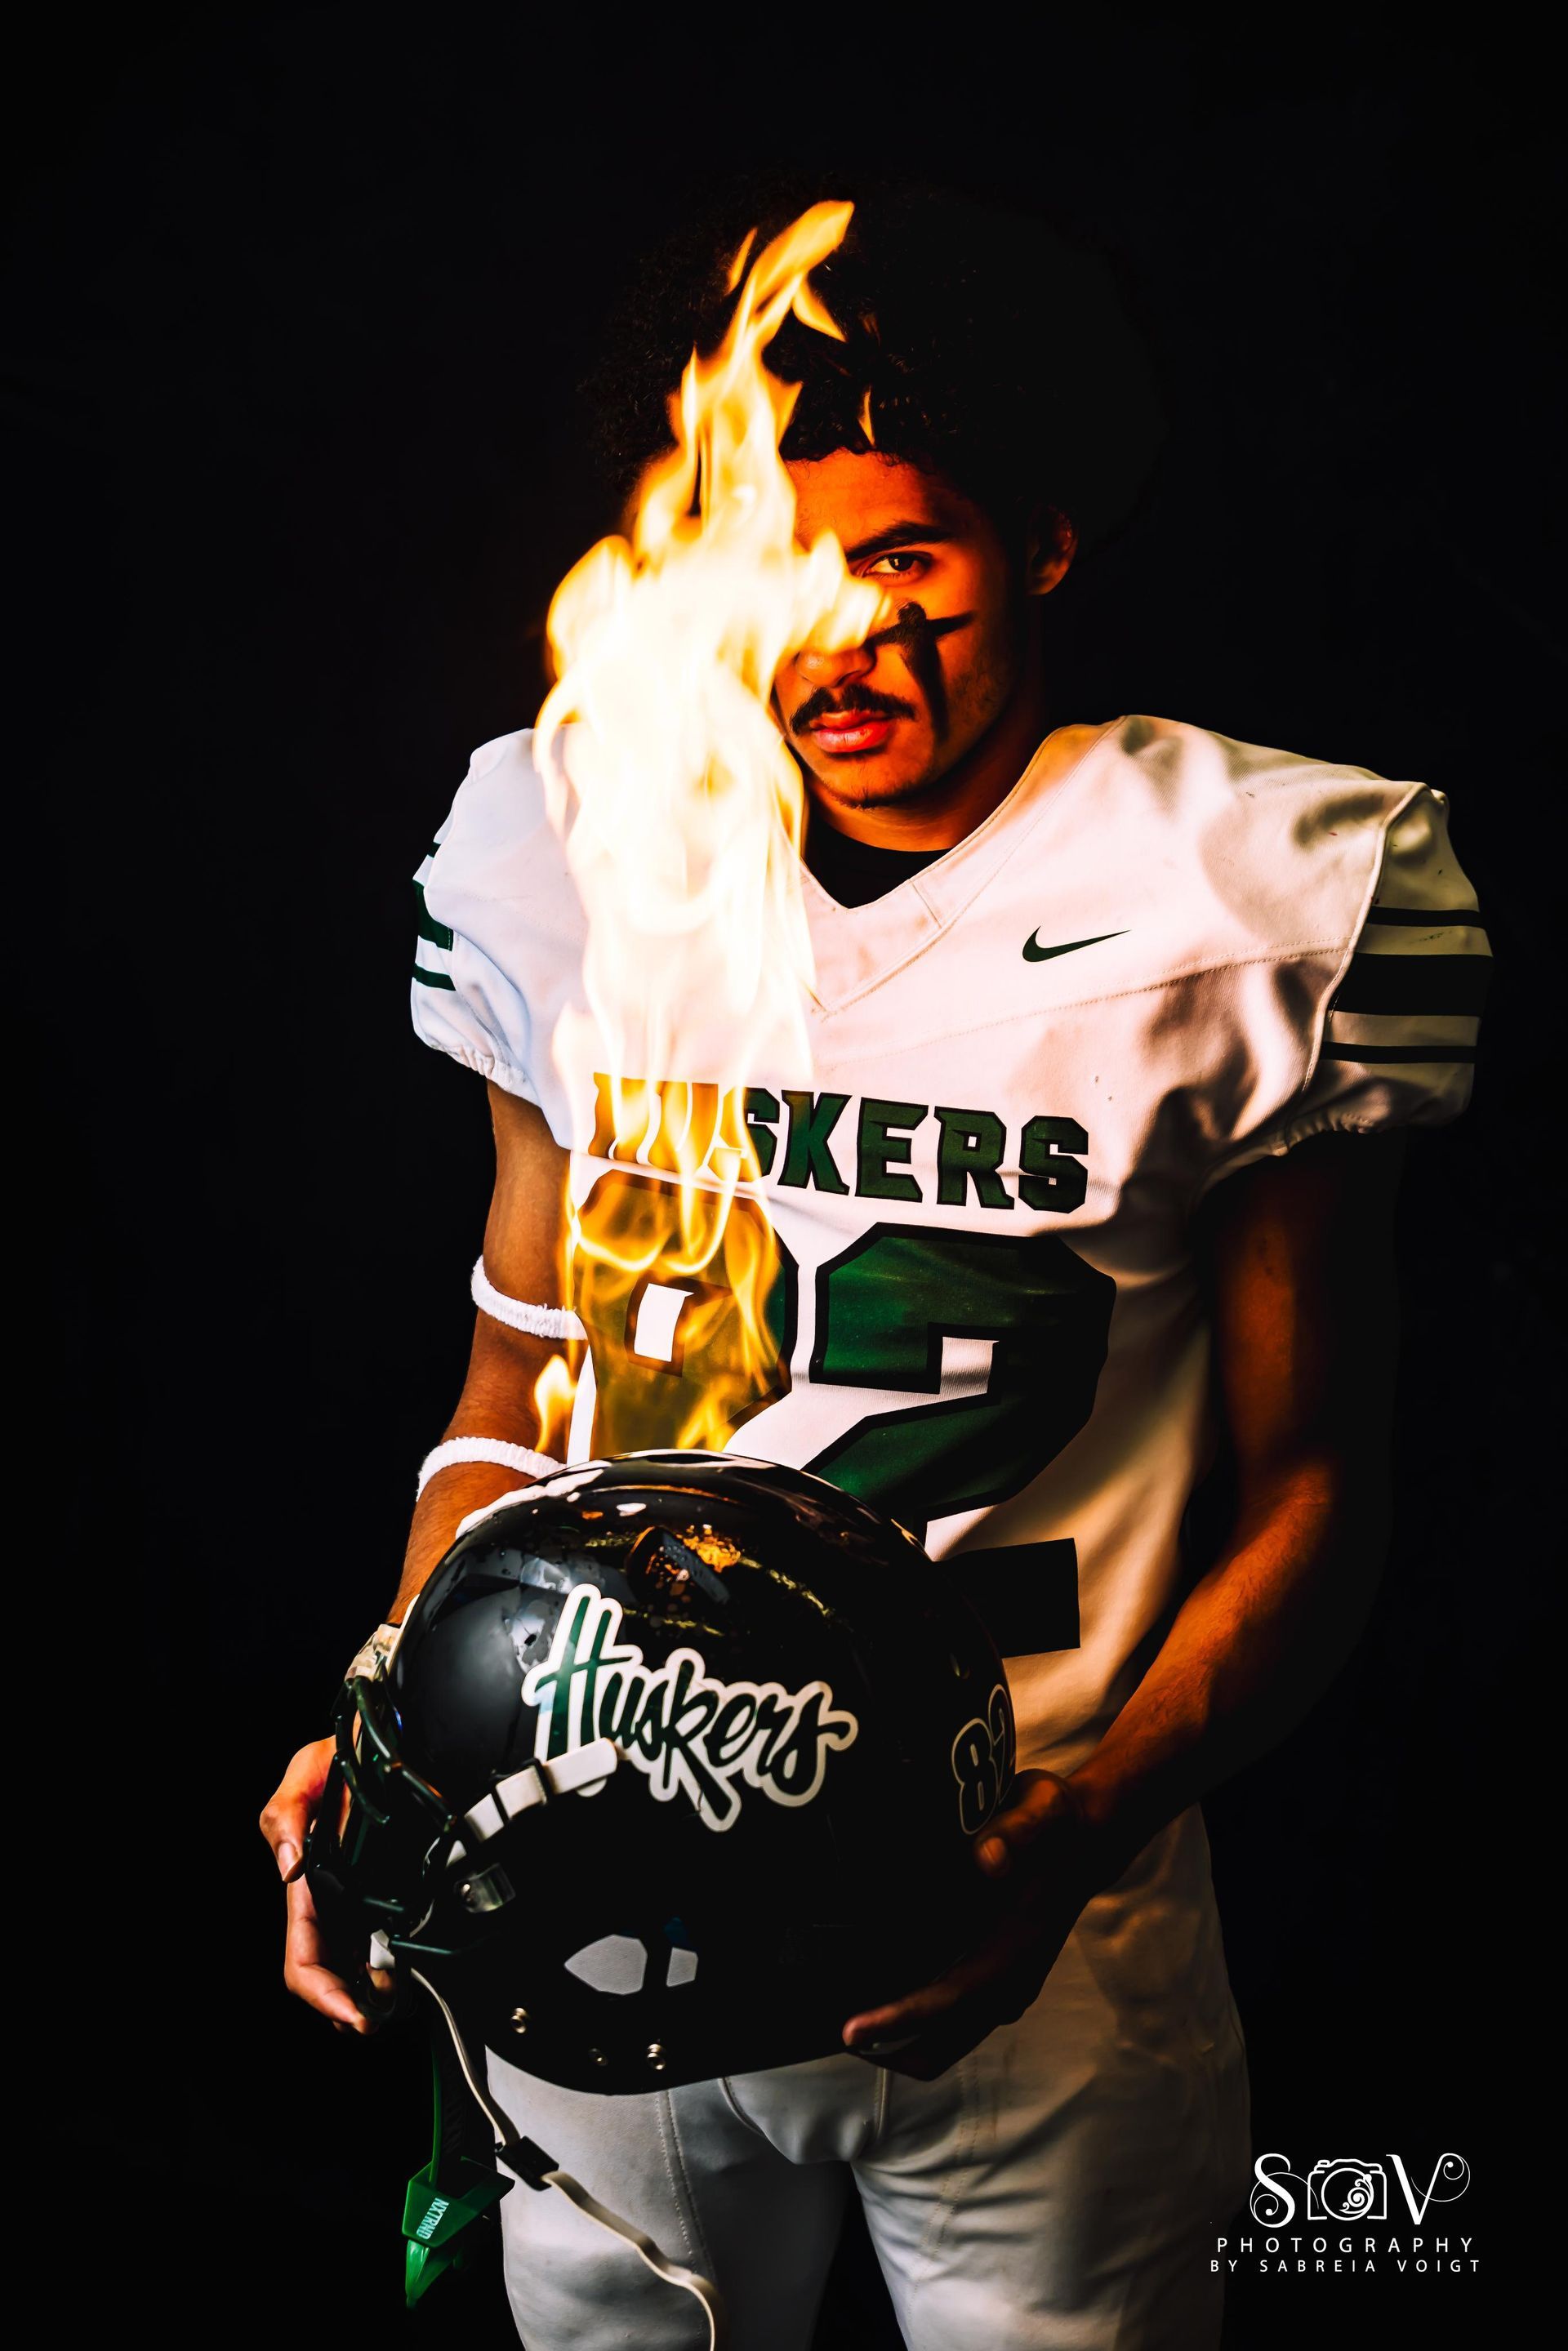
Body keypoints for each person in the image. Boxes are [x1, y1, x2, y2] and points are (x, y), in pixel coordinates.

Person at [261, 182, 1490, 2349]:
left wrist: (1083, 1831)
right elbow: (515, 1381)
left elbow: (1312, 1486)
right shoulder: (572, 848)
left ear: (1043, 539)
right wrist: (400, 1718)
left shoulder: (1256, 884)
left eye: (908, 557)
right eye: (791, 571)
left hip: (1027, 1875)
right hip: (600, 1855)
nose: (847, 638)